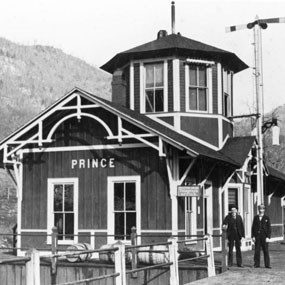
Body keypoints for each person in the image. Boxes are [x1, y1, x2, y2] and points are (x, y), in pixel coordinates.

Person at [251, 204, 271, 268]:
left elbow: (269, 228)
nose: (261, 210)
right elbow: (253, 227)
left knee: (266, 250)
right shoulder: (255, 217)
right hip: (257, 236)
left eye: (262, 209)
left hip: (264, 236)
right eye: (260, 209)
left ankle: (267, 265)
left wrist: (268, 237)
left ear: (264, 210)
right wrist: (253, 236)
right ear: (258, 210)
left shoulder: (267, 218)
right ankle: (256, 264)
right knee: (257, 251)